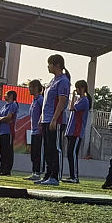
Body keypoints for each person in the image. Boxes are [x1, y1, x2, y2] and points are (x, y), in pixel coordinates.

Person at [38, 56, 72, 186]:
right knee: (47, 148)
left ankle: (55, 176)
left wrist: (54, 119)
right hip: (46, 119)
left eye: (49, 64)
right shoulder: (53, 81)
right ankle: (48, 174)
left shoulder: (63, 81)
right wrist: (42, 118)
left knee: (55, 148)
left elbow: (62, 102)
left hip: (55, 120)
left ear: (56, 65)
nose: (48, 66)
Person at [63, 81, 92, 184]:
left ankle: (75, 176)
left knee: (73, 153)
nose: (76, 90)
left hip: (77, 131)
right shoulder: (79, 100)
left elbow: (71, 108)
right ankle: (72, 175)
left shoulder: (84, 101)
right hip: (71, 130)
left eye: (77, 88)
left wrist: (74, 97)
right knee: (70, 153)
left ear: (82, 88)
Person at [0, 90, 20, 176]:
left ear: (11, 96)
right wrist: (0, 119)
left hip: (8, 131)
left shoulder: (13, 105)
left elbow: (8, 118)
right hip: (2, 131)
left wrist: (0, 119)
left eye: (6, 95)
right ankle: (1, 168)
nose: (4, 96)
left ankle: (7, 170)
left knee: (8, 151)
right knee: (3, 151)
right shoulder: (5, 106)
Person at [25, 80, 44, 181]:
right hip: (33, 130)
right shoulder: (34, 101)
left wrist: (40, 124)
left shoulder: (41, 99)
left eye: (31, 87)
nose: (29, 89)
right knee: (33, 153)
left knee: (38, 152)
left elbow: (44, 111)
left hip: (39, 130)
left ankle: (38, 172)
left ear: (36, 87)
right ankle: (34, 172)